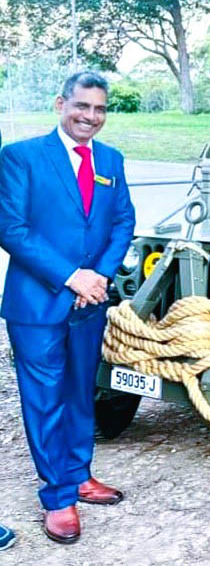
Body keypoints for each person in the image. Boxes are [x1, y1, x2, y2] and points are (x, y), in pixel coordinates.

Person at [0, 71, 136, 544]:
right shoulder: (21, 157)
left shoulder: (112, 160)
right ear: (61, 103)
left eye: (100, 109)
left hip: (90, 302)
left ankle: (79, 474)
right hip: (37, 306)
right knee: (44, 400)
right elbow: (13, 230)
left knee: (80, 392)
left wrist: (98, 275)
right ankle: (58, 497)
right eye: (82, 106)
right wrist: (70, 275)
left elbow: (123, 221)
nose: (90, 117)